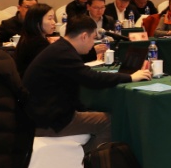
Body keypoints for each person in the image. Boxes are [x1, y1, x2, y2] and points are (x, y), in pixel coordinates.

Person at [23, 16, 151, 153]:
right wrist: (130, 77)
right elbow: (92, 78)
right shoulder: (64, 53)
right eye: (93, 38)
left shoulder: (61, 48)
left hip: (40, 114)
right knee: (109, 122)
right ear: (84, 36)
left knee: (93, 113)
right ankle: (90, 162)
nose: (93, 43)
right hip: (46, 121)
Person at [15, 3, 56, 76]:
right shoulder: (38, 43)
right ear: (37, 22)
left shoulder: (28, 37)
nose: (54, 22)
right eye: (50, 19)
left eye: (53, 18)